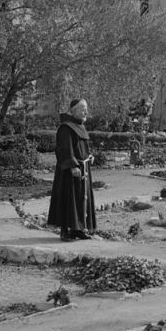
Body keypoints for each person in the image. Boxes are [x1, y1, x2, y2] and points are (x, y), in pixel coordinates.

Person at [47, 98, 97, 241]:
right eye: (82, 109)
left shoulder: (80, 126)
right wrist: (72, 166)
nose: (85, 111)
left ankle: (78, 230)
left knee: (81, 199)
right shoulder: (66, 127)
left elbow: (80, 147)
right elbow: (64, 149)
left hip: (83, 169)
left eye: (86, 108)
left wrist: (89, 156)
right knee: (69, 199)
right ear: (73, 111)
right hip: (70, 171)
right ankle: (64, 231)